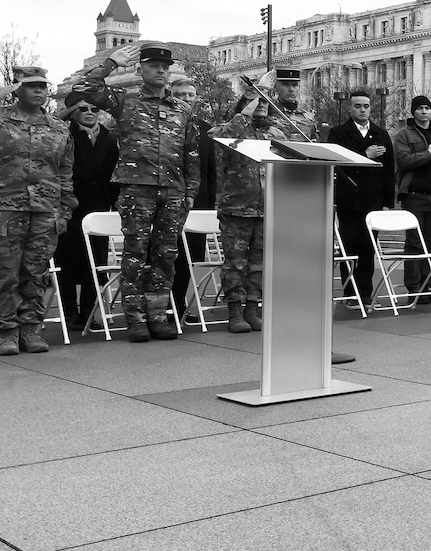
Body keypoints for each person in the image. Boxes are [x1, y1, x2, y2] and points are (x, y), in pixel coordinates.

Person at [68, 43, 200, 342]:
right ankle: (136, 318)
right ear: (141, 69)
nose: (161, 70)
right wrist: (111, 62)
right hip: (136, 188)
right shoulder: (125, 100)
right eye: (154, 65)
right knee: (135, 254)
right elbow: (83, 87)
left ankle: (157, 314)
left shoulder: (181, 108)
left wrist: (191, 190)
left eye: (165, 67)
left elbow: (190, 152)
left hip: (173, 190)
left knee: (166, 254)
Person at [0, 67, 75, 355]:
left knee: (35, 271)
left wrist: (65, 210)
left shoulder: (58, 128)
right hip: (7, 207)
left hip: (46, 210)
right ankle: (6, 331)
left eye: (43, 86)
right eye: (31, 86)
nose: (39, 91)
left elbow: (66, 171)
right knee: (6, 272)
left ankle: (31, 329)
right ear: (16, 89)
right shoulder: (3, 121)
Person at [212, 94, 288, 332]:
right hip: (237, 208)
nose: (262, 105)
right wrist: (244, 111)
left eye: (266, 101)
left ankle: (252, 309)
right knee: (235, 263)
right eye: (256, 101)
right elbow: (223, 139)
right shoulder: (229, 130)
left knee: (260, 263)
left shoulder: (276, 135)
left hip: (268, 209)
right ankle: (235, 311)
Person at [52, 91, 119, 330]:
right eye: (83, 109)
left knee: (96, 261)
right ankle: (69, 310)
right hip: (71, 205)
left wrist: (113, 204)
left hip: (98, 206)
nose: (90, 113)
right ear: (71, 112)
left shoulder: (109, 139)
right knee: (67, 260)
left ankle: (89, 312)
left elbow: (114, 175)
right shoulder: (62, 134)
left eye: (94, 109)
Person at [327, 90, 395, 304]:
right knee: (349, 248)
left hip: (372, 202)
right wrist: (364, 156)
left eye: (366, 106)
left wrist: (387, 204)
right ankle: (350, 292)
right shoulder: (338, 133)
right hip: (349, 201)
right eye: (358, 106)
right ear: (350, 108)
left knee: (368, 249)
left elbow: (389, 171)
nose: (363, 109)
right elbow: (335, 162)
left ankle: (365, 293)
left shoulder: (381, 134)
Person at [391, 95, 431, 303]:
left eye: (427, 108)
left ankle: (428, 285)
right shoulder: (403, 135)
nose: (424, 112)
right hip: (414, 197)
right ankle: (413, 288)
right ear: (413, 112)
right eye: (420, 108)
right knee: (414, 244)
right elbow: (402, 161)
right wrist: (428, 153)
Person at [166, 73, 215, 321]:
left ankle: (179, 307)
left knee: (188, 260)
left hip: (199, 204)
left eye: (190, 95)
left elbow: (211, 171)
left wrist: (212, 204)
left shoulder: (206, 130)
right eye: (180, 95)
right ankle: (163, 307)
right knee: (166, 257)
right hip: (168, 201)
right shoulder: (163, 124)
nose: (186, 99)